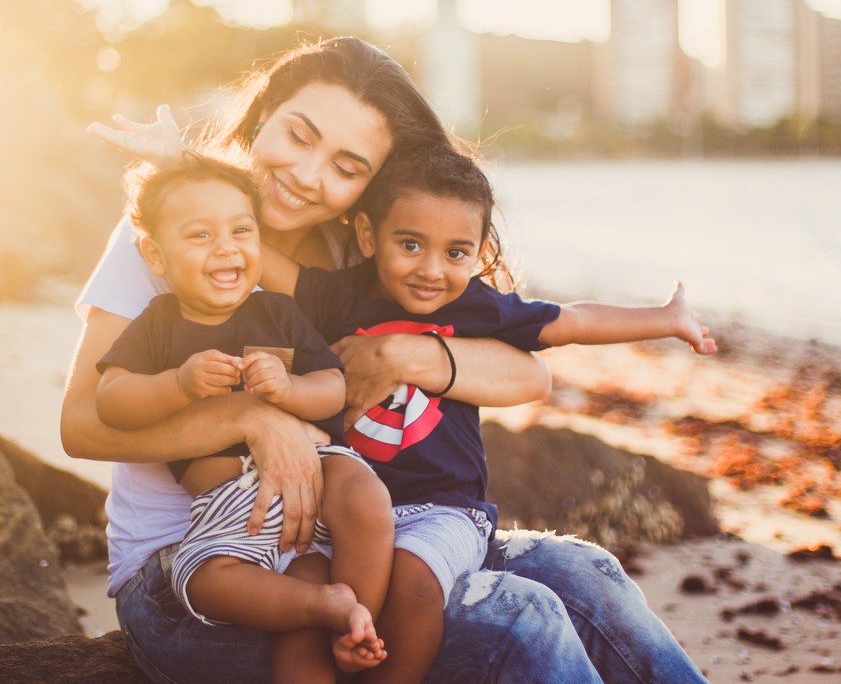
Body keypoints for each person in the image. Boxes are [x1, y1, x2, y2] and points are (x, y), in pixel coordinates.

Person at [63, 36, 711, 683]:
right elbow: (82, 424)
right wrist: (254, 420)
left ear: (374, 185)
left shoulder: (366, 259)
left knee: (584, 572)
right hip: (196, 570)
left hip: (345, 544)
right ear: (262, 116)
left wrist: (406, 352)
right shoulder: (180, 229)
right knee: (521, 618)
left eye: (347, 167)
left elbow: (529, 373)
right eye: (299, 135)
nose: (309, 175)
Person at [256, 146, 715, 684]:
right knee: (319, 595)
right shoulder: (338, 296)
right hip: (351, 517)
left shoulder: (476, 308)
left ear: (479, 251)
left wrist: (664, 318)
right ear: (366, 235)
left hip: (444, 511)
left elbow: (571, 322)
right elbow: (266, 259)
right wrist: (177, 167)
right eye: (409, 245)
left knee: (414, 580)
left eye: (456, 253)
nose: (431, 270)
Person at [94, 155, 392, 681]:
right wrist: (176, 384)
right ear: (155, 256)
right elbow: (110, 402)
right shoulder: (157, 326)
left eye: (241, 230)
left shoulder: (276, 311)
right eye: (200, 236)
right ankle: (328, 607)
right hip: (231, 516)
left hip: (314, 478)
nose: (227, 247)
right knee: (209, 582)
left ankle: (359, 621)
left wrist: (291, 388)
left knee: (367, 497)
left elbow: (334, 389)